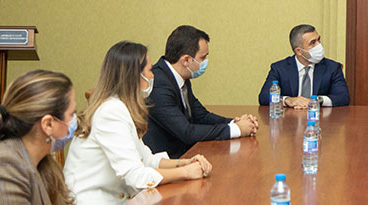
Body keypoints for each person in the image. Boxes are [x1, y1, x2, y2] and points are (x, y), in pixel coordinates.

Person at [65, 41, 212, 203]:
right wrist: (186, 172)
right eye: (149, 70)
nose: (152, 76)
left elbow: (147, 160)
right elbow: (136, 175)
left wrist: (184, 163)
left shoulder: (122, 107)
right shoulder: (110, 112)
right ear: (134, 76)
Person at [143, 25, 258, 159]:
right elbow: (187, 132)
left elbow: (201, 116)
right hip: (165, 161)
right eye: (203, 58)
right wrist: (237, 129)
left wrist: (235, 122)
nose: (206, 62)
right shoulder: (158, 83)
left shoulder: (181, 77)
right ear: (186, 60)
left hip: (185, 155)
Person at [0, 70, 75, 204]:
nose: (75, 122)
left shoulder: (44, 165)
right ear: (48, 124)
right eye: (71, 114)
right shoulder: (3, 164)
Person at [258, 24, 350, 108]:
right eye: (313, 42)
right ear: (299, 51)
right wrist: (287, 100)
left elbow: (343, 97)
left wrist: (316, 101)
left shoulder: (332, 68)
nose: (319, 45)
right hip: (289, 118)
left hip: (320, 118)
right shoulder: (279, 68)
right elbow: (264, 97)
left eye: (318, 40)